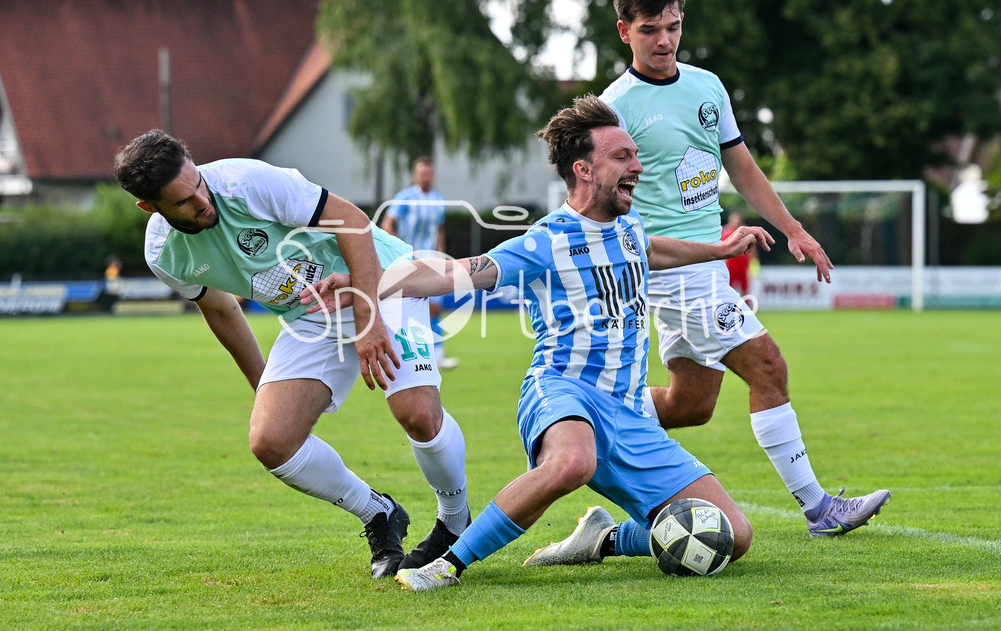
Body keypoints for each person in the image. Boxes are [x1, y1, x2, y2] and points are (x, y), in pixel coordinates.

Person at [302, 95, 767, 591]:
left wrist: (717, 249)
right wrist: (363, 282)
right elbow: (453, 273)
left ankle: (601, 540)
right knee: (573, 460)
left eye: (634, 154)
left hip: (631, 413)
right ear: (584, 169)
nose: (638, 165)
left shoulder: (629, 226)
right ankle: (448, 564)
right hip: (562, 391)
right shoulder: (546, 239)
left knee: (734, 535)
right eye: (623, 157)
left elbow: (650, 249)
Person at [600, 0, 890, 536]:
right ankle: (819, 509)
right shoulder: (616, 107)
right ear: (624, 32)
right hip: (672, 271)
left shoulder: (707, 86)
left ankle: (593, 420)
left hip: (705, 268)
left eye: (674, 26)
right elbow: (603, 199)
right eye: (650, 29)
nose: (664, 40)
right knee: (768, 366)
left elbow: (742, 168)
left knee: (691, 406)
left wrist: (794, 229)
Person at [113, 130, 470, 578]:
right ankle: (379, 514)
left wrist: (368, 318)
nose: (203, 201)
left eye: (199, 183)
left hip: (383, 281)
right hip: (311, 316)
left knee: (415, 411)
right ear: (150, 207)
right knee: (271, 441)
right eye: (184, 201)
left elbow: (353, 222)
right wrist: (264, 386)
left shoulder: (247, 182)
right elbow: (220, 308)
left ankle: (455, 522)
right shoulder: (163, 253)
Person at [380, 156, 458, 370]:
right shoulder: (405, 197)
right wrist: (399, 249)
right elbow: (387, 224)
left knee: (434, 306)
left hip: (431, 258)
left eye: (429, 172)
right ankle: (407, 351)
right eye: (422, 172)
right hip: (408, 258)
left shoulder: (439, 199)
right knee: (410, 305)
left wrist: (441, 253)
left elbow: (439, 229)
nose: (426, 176)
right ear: (416, 174)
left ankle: (436, 353)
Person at [721, 211, 754, 296]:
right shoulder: (725, 231)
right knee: (729, 286)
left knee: (744, 287)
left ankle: (746, 305)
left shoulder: (746, 231)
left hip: (742, 263)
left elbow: (752, 247)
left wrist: (752, 261)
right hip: (731, 263)